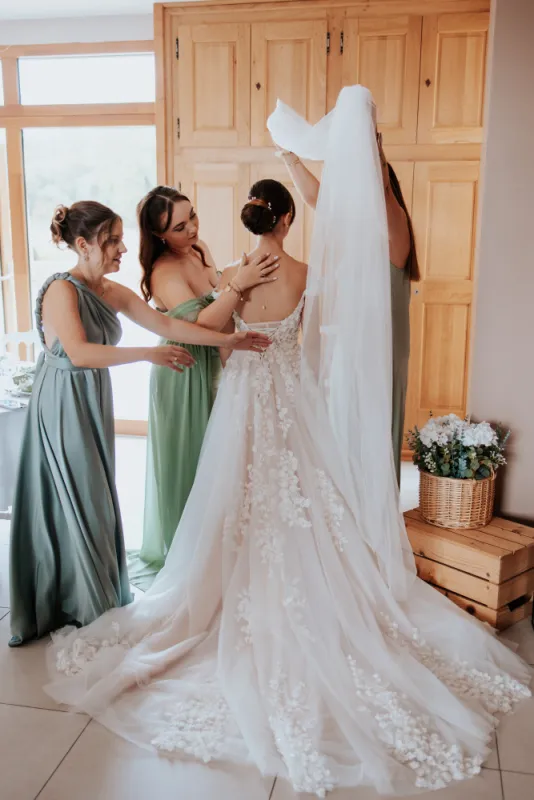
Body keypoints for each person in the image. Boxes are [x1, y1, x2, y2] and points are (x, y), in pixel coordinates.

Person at [45, 93, 530, 798]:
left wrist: (235, 298)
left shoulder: (234, 274)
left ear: (250, 219)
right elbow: (319, 333)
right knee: (304, 492)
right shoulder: (304, 274)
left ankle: (226, 582)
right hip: (293, 397)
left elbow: (213, 328)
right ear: (287, 219)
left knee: (237, 490)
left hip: (242, 395)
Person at [8, 200, 270, 647]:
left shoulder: (111, 291)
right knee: (79, 494)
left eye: (120, 238)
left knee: (95, 494)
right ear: (83, 245)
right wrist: (150, 353)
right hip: (62, 400)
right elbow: (80, 354)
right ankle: (72, 600)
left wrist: (228, 339)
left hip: (91, 396)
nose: (123, 248)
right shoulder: (61, 290)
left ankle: (88, 595)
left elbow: (167, 323)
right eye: (111, 241)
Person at [129, 187, 280, 588]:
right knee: (191, 462)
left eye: (192, 216)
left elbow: (217, 296)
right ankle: (189, 555)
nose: (192, 229)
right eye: (179, 227)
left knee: (218, 460)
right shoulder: (163, 271)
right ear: (159, 234)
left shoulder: (198, 250)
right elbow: (204, 324)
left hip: (215, 364)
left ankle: (218, 547)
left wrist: (236, 279)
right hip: (183, 371)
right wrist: (238, 285)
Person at [277, 128, 419, 485]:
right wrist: (288, 154)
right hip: (350, 347)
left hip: (381, 351)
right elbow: (315, 197)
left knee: (374, 427)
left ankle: (375, 500)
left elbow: (382, 192)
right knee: (343, 429)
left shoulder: (396, 234)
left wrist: (375, 154)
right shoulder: (357, 236)